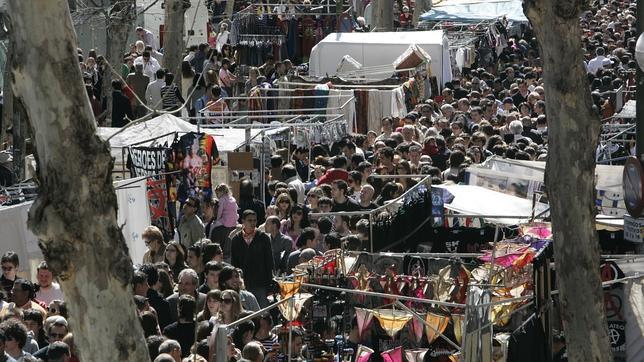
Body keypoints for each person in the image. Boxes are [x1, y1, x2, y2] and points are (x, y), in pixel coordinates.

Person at [230, 210, 274, 308]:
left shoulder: (263, 238)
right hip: (244, 285)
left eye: (254, 220)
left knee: (262, 313)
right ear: (243, 221)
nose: (253, 223)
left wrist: (270, 284)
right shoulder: (236, 240)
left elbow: (269, 262)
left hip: (261, 284)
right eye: (249, 220)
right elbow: (234, 264)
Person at [211, 184, 238, 261]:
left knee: (213, 226)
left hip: (226, 220)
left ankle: (209, 238)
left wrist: (217, 220)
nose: (217, 195)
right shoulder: (232, 199)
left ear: (222, 192)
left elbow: (220, 211)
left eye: (217, 193)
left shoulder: (222, 199)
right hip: (234, 221)